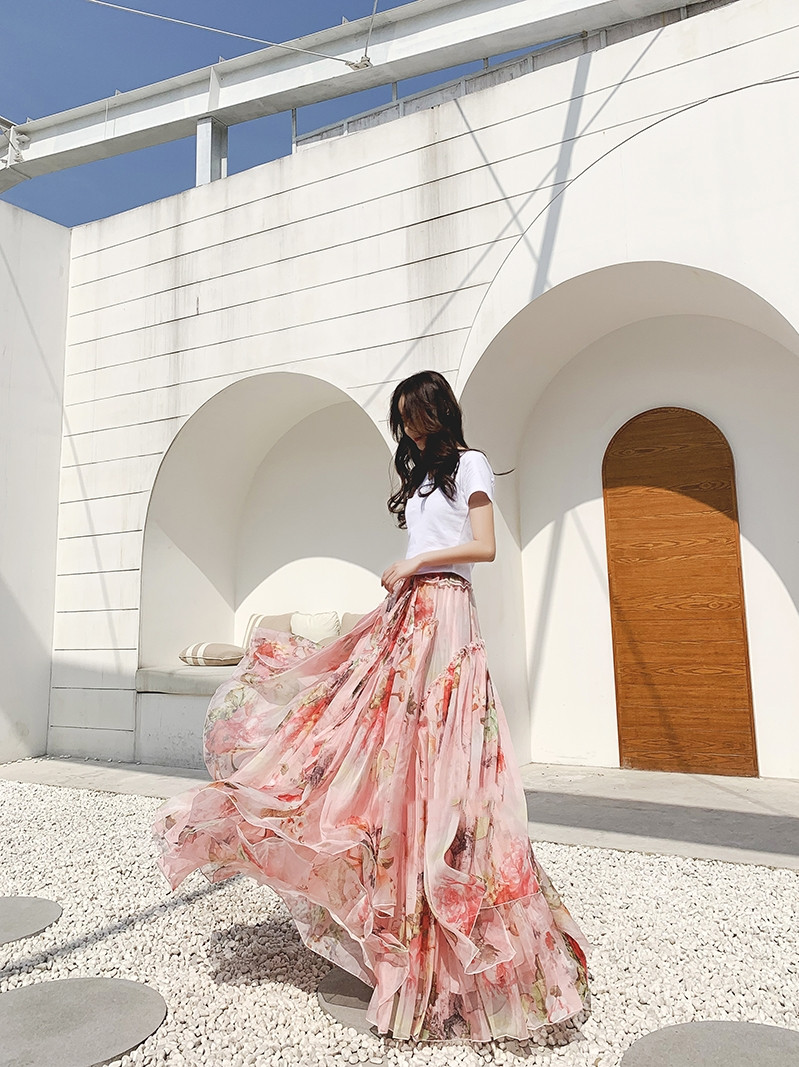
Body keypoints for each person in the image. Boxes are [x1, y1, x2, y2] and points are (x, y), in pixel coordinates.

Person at [151, 369, 590, 1044]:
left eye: (414, 416)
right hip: (413, 613)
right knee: (375, 737)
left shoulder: (470, 464)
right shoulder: (423, 479)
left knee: (446, 757)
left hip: (446, 612)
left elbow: (484, 546)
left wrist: (414, 564)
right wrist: (409, 572)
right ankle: (400, 933)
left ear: (437, 412)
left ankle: (459, 947)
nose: (408, 430)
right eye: (401, 420)